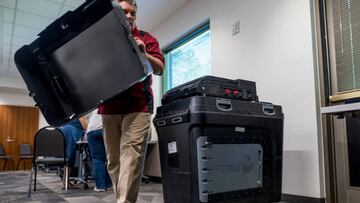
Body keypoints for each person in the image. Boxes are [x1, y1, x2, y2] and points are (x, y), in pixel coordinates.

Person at [98, 0, 165, 202]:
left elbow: (160, 68)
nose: (129, 16)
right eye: (124, 12)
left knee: (132, 159)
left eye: (132, 13)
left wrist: (143, 53)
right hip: (109, 106)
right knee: (114, 162)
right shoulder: (106, 40)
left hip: (138, 107)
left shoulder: (146, 38)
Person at [85, 110, 112, 192]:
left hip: (93, 130)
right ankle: (109, 184)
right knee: (110, 158)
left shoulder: (96, 103)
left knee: (98, 159)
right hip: (108, 129)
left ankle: (100, 186)